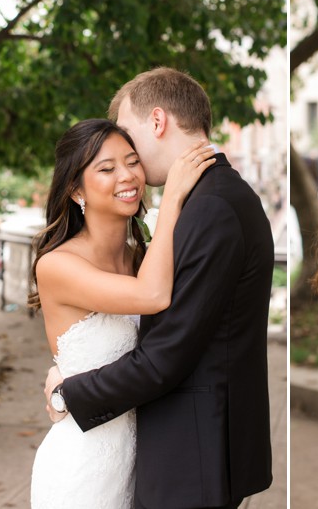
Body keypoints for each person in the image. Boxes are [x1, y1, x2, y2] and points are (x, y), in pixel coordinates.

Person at [44, 68, 275, 509]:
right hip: (159, 455)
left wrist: (69, 392)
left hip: (193, 457)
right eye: (108, 164)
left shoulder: (209, 208)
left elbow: (164, 356)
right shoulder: (211, 198)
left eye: (128, 142)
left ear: (157, 121)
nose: (129, 158)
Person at [29, 118, 216, 509]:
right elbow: (152, 296)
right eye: (107, 168)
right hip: (81, 469)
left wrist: (63, 381)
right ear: (75, 189)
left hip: (140, 462)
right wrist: (173, 198)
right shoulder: (57, 265)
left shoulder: (141, 257)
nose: (128, 176)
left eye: (133, 161)